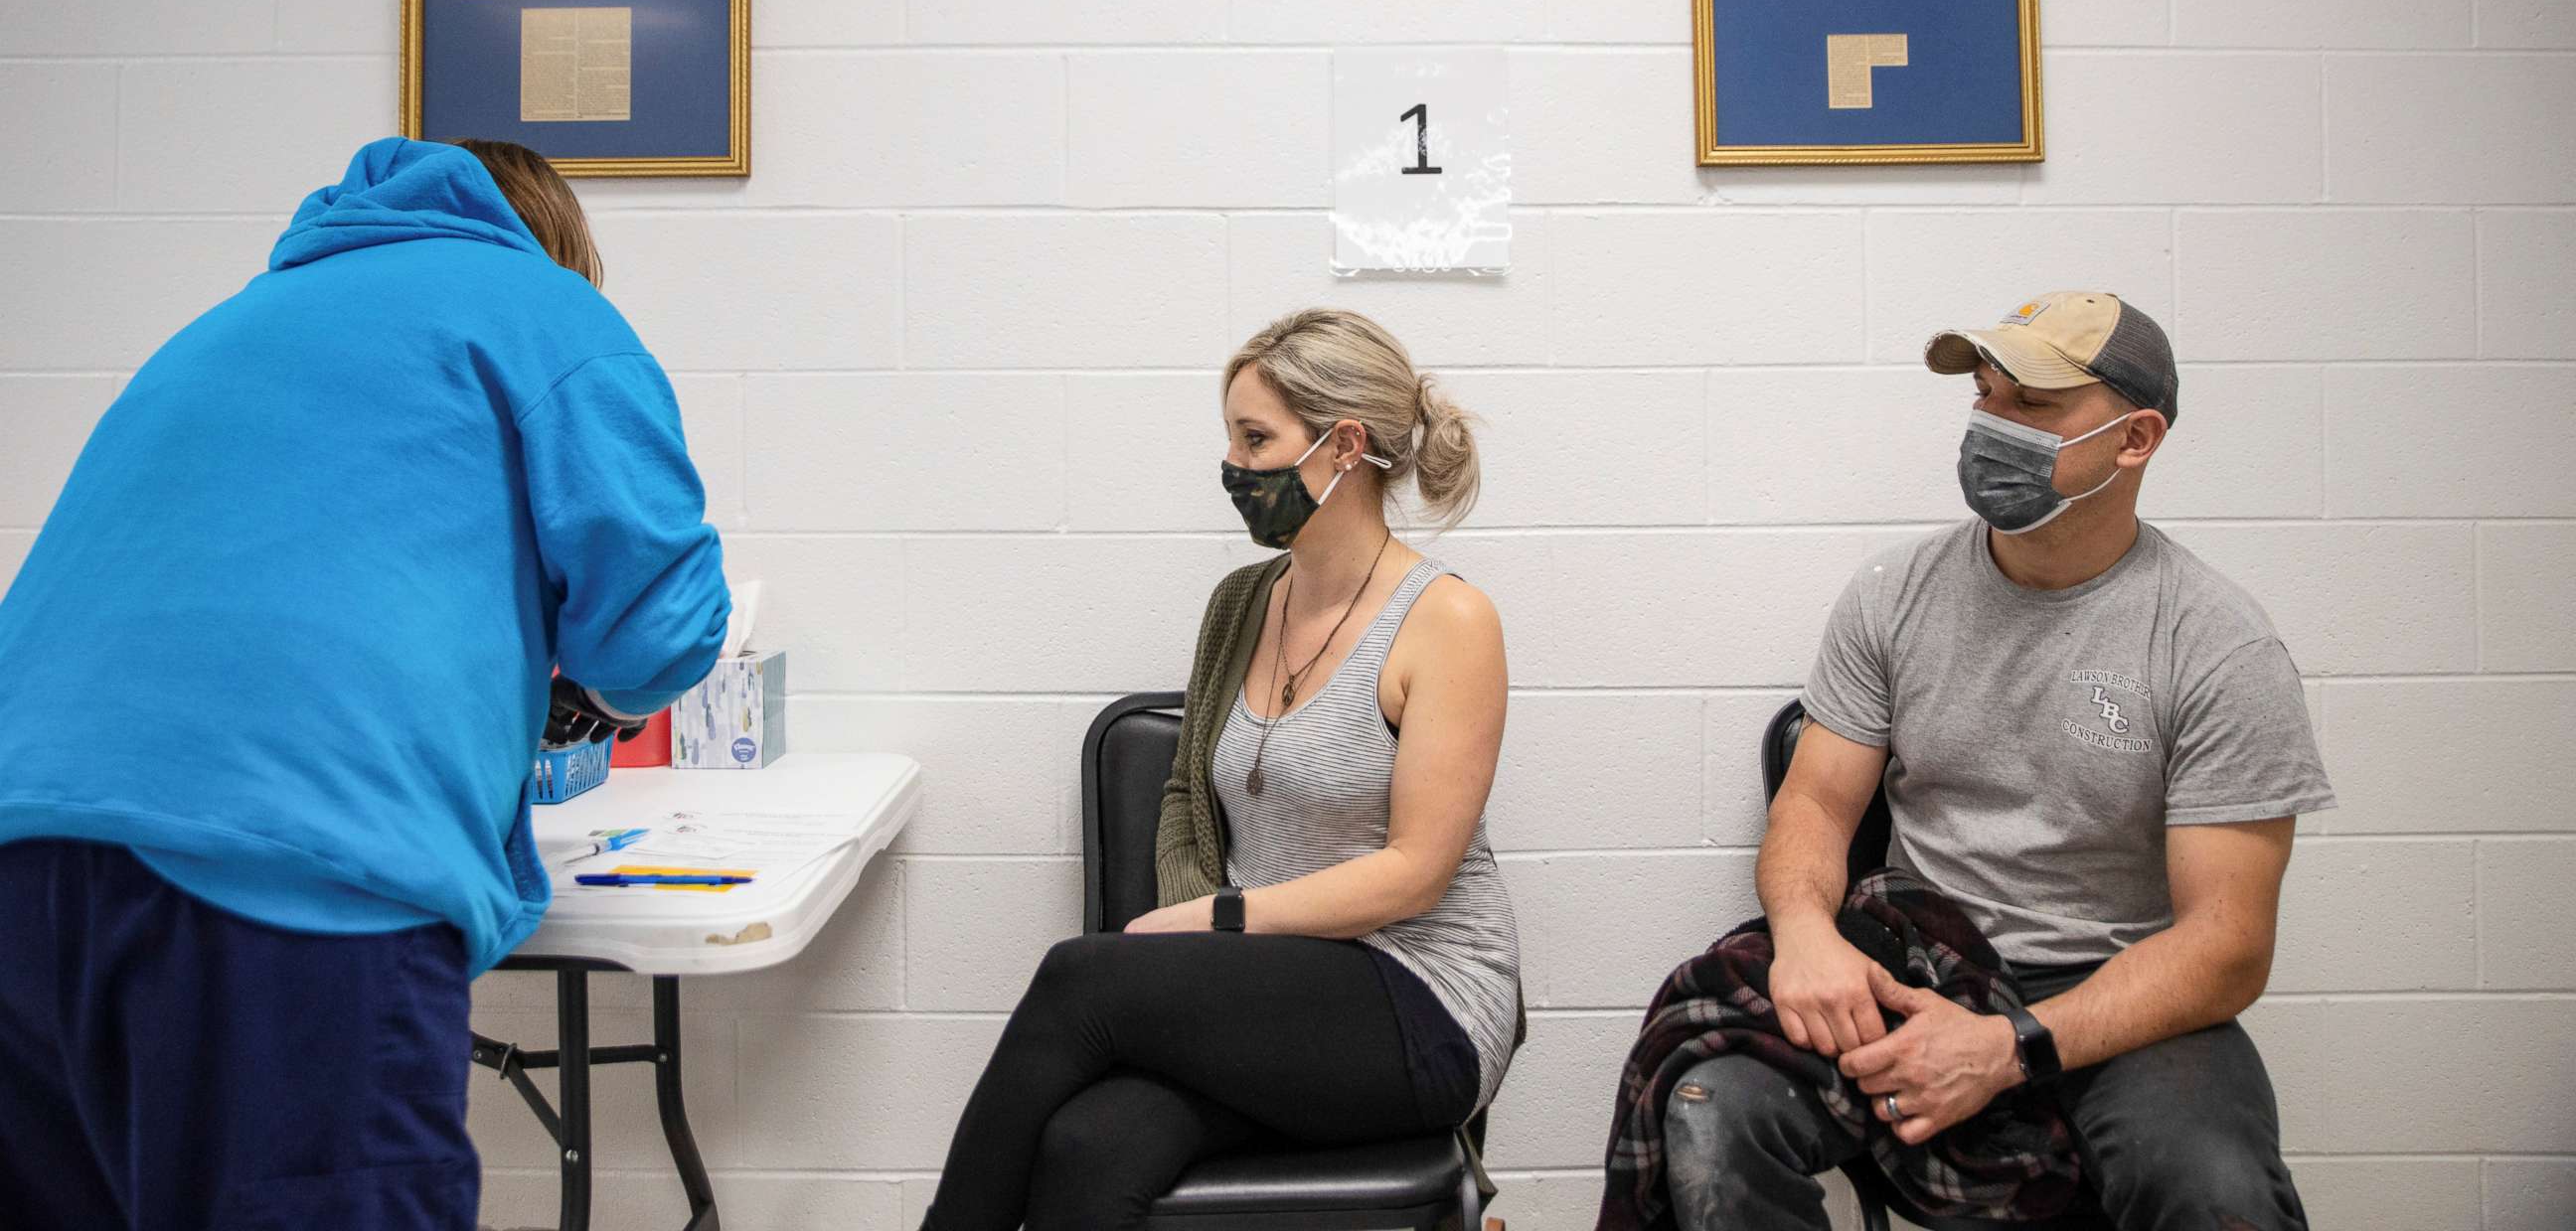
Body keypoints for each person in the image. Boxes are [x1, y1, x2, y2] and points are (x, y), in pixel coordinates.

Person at [0, 136, 728, 1230]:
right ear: (558, 247)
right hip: (278, 873)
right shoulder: (542, 307)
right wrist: (592, 694)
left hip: (23, 861)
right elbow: (663, 632)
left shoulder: (230, 324)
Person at [1658, 292, 2333, 1231]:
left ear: (2135, 439)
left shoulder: (2215, 644)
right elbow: (1813, 805)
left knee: (2215, 1191)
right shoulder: (1893, 594)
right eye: (1984, 397)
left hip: (2118, 991)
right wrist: (1806, 934)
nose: (1991, 427)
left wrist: (2009, 1046)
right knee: (1711, 1112)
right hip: (1919, 958)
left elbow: (2227, 945)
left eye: (2034, 406)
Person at [920, 309, 1521, 1231]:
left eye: (1257, 439)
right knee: (1087, 1148)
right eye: (1231, 439)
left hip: (1418, 1001)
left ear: (1344, 445)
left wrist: (1217, 921)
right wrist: (1202, 962)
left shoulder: (1448, 622)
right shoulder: (1244, 602)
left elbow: (1417, 873)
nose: (1235, 467)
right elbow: (1185, 797)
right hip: (1270, 993)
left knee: (1082, 981)